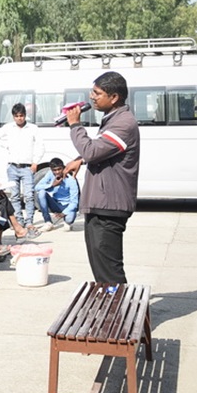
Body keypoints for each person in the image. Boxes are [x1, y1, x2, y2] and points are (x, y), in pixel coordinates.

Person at [65, 71, 141, 285]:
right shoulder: (113, 120)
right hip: (101, 204)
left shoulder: (124, 123)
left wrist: (75, 125)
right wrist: (80, 159)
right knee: (102, 271)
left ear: (114, 97)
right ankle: (115, 312)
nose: (92, 97)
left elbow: (92, 151)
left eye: (97, 93)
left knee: (110, 273)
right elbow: (100, 151)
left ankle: (121, 315)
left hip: (110, 206)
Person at [0, 103, 44, 231]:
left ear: (25, 116)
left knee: (29, 196)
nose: (19, 118)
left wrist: (35, 162)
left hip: (27, 167)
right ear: (13, 117)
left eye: (21, 116)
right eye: (17, 116)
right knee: (15, 196)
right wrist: (7, 146)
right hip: (13, 166)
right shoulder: (8, 128)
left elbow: (40, 146)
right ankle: (19, 221)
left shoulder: (33, 128)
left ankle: (29, 221)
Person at [34, 157, 80, 232]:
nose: (57, 172)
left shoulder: (71, 180)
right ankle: (48, 222)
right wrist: (52, 185)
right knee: (41, 193)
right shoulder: (50, 174)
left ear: (63, 168)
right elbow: (37, 187)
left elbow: (74, 202)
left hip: (67, 205)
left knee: (69, 220)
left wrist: (63, 213)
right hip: (56, 203)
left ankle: (67, 221)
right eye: (54, 170)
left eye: (59, 169)